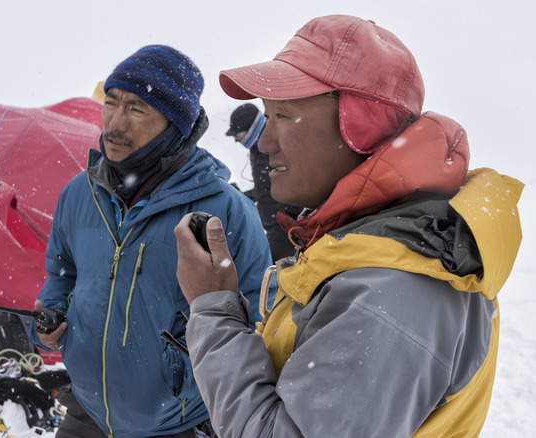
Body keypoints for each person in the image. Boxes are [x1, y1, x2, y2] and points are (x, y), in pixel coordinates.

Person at [174, 15, 523, 437]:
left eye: (283, 115)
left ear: (360, 127)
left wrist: (213, 308)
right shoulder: (371, 242)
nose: (264, 144)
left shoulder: (392, 288)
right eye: (266, 116)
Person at [28, 45, 272, 438]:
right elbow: (62, 271)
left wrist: (183, 367)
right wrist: (52, 314)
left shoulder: (223, 210)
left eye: (137, 109)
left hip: (174, 423)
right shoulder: (79, 193)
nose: (115, 124)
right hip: (85, 414)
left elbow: (260, 317)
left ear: (176, 126)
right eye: (111, 103)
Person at [225, 103, 302, 260]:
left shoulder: (275, 148)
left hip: (284, 227)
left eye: (239, 135)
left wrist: (289, 217)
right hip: (274, 227)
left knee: (271, 274)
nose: (237, 141)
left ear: (253, 127)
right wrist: (247, 196)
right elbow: (267, 186)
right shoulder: (258, 149)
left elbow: (297, 183)